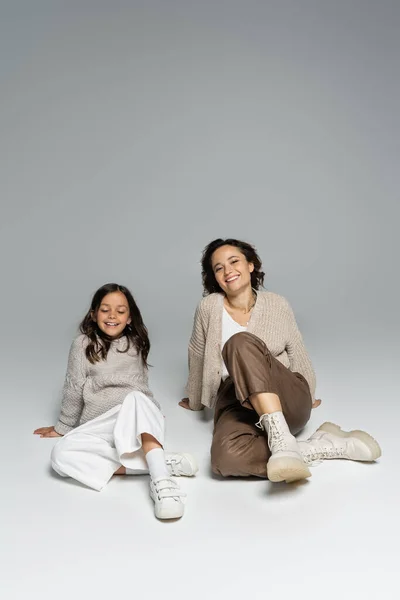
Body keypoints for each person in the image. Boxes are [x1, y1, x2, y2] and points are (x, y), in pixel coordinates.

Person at [180, 238, 381, 483]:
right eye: (219, 268)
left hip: (284, 395)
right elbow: (198, 353)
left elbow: (297, 350)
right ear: (214, 277)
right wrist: (195, 401)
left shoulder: (277, 304)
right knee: (225, 460)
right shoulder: (208, 307)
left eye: (234, 262)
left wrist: (308, 393)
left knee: (240, 342)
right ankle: (317, 446)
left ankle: (281, 436)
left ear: (251, 265)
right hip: (236, 399)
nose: (228, 271)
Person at [34, 283, 197, 520]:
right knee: (60, 457)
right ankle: (157, 463)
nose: (112, 316)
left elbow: (141, 386)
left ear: (130, 318)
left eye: (120, 311)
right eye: (105, 310)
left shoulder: (136, 343)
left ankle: (163, 484)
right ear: (93, 315)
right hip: (100, 424)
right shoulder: (82, 345)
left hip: (132, 418)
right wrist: (63, 427)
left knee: (136, 398)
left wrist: (150, 413)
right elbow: (73, 387)